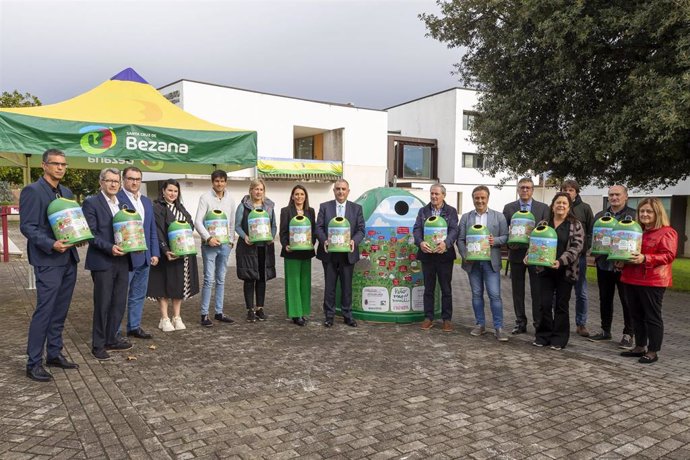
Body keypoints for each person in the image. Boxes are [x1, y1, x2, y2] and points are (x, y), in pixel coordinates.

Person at [20, 149, 80, 381]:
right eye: (55, 164)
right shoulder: (33, 191)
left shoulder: (66, 192)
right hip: (48, 260)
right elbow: (28, 227)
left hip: (68, 259)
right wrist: (51, 243)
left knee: (60, 311)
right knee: (45, 311)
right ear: (44, 165)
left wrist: (79, 237)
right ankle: (33, 362)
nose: (60, 168)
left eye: (63, 164)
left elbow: (72, 222)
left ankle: (54, 353)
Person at [618, 198, 677, 364]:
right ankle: (639, 346)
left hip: (653, 280)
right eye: (642, 211)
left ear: (657, 213)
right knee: (635, 314)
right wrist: (620, 260)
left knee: (652, 316)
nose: (644, 214)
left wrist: (645, 258)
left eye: (648, 211)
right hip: (631, 277)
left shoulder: (667, 232)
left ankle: (653, 351)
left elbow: (669, 255)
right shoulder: (636, 230)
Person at [82, 168, 132, 361]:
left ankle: (112, 338)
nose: (113, 184)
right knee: (103, 304)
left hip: (122, 260)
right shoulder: (91, 203)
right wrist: (109, 247)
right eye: (109, 181)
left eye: (116, 181)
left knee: (119, 302)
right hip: (103, 260)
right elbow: (91, 234)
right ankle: (98, 344)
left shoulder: (123, 204)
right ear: (101, 182)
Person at [532, 192, 584, 350]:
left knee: (561, 305)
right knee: (544, 304)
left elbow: (577, 247)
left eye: (564, 203)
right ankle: (543, 336)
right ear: (553, 206)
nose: (561, 205)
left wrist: (560, 261)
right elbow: (534, 242)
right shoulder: (543, 223)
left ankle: (559, 339)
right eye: (558, 203)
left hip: (565, 271)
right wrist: (529, 256)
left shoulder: (576, 225)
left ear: (569, 207)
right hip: (545, 271)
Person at [457, 185, 509, 341]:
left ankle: (498, 327)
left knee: (495, 295)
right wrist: (465, 255)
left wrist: (495, 240)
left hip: (490, 263)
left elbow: (506, 236)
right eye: (476, 198)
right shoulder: (466, 217)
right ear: (473, 199)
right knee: (476, 295)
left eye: (482, 198)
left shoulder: (498, 217)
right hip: (473, 264)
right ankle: (480, 325)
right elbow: (460, 239)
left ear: (488, 198)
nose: (479, 201)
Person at [147, 179, 199, 332]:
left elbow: (190, 224)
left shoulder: (180, 208)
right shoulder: (156, 207)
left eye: (175, 191)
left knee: (178, 285)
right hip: (166, 254)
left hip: (182, 254)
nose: (172, 194)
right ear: (163, 191)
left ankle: (177, 316)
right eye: (169, 190)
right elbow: (157, 231)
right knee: (163, 285)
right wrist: (164, 250)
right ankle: (164, 318)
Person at [588, 185, 637, 347]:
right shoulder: (600, 216)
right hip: (603, 264)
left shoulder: (633, 216)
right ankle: (605, 331)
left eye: (617, 194)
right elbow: (592, 238)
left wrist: (625, 259)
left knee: (627, 300)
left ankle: (628, 334)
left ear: (626, 197)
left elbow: (638, 241)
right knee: (605, 298)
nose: (614, 197)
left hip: (625, 267)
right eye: (611, 195)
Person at [502, 177, 550, 334]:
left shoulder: (543, 208)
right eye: (522, 187)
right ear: (517, 189)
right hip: (516, 253)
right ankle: (520, 322)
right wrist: (509, 243)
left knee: (537, 290)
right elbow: (504, 232)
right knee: (517, 290)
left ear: (532, 190)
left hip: (536, 255)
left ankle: (538, 322)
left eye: (528, 188)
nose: (525, 190)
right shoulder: (509, 208)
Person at [117, 166, 160, 340]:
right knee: (120, 295)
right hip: (124, 257)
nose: (134, 182)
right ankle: (115, 331)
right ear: (123, 180)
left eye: (137, 179)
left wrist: (155, 252)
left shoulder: (146, 201)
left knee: (138, 295)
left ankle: (134, 326)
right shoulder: (116, 199)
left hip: (145, 256)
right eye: (130, 178)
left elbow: (151, 229)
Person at [315, 179, 365, 328]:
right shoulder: (325, 207)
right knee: (329, 286)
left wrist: (354, 241)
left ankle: (347, 315)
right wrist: (324, 240)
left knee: (347, 286)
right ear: (334, 191)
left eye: (343, 189)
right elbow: (318, 227)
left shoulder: (356, 209)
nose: (341, 192)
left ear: (348, 191)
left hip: (347, 254)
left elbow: (361, 230)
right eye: (338, 189)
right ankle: (329, 316)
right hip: (329, 254)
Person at [413, 184, 459, 332]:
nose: (434, 196)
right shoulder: (423, 211)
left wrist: (446, 244)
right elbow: (417, 229)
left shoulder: (451, 211)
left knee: (446, 288)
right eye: (432, 194)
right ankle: (428, 318)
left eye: (437, 194)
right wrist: (420, 242)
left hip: (444, 256)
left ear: (443, 195)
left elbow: (454, 230)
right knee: (429, 288)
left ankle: (447, 319)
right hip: (427, 256)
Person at [194, 170, 236, 327]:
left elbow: (231, 222)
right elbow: (198, 222)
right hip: (209, 246)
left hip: (225, 246)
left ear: (226, 182)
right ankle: (204, 314)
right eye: (217, 181)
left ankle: (219, 312)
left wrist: (231, 241)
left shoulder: (230, 200)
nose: (220, 184)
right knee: (208, 279)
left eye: (222, 181)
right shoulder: (205, 198)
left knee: (221, 279)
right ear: (212, 182)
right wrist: (208, 238)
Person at [235, 178, 277, 323]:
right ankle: (250, 310)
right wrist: (244, 236)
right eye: (256, 189)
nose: (258, 192)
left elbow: (274, 226)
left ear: (264, 191)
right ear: (251, 190)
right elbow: (237, 226)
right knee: (249, 278)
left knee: (261, 278)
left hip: (264, 247)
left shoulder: (269, 207)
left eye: (261, 189)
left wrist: (272, 236)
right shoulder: (243, 207)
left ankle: (260, 308)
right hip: (247, 247)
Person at [560, 179, 594, 337]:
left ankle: (581, 324)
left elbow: (591, 232)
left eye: (571, 190)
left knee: (581, 292)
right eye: (565, 190)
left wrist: (584, 248)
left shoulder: (585, 209)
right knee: (557, 292)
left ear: (576, 192)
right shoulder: (557, 206)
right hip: (560, 258)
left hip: (578, 257)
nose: (568, 192)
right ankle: (558, 321)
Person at [279, 185, 316, 326]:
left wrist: (312, 242)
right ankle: (296, 314)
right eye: (296, 194)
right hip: (292, 252)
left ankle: (303, 311)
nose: (299, 197)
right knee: (293, 283)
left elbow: (314, 229)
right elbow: (282, 232)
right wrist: (285, 245)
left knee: (305, 283)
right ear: (292, 196)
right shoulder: (286, 211)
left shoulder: (310, 211)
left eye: (302, 194)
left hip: (306, 252)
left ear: (305, 196)